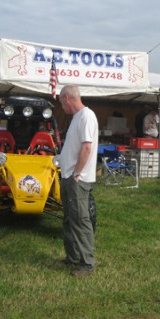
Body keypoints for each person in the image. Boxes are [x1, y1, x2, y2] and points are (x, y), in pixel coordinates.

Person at [58, 85, 99, 276]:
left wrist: (76, 174)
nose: (62, 106)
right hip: (68, 176)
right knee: (69, 219)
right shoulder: (77, 118)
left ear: (67, 98)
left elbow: (87, 148)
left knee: (81, 220)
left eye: (61, 102)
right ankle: (73, 256)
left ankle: (87, 263)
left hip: (76, 179)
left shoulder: (86, 116)